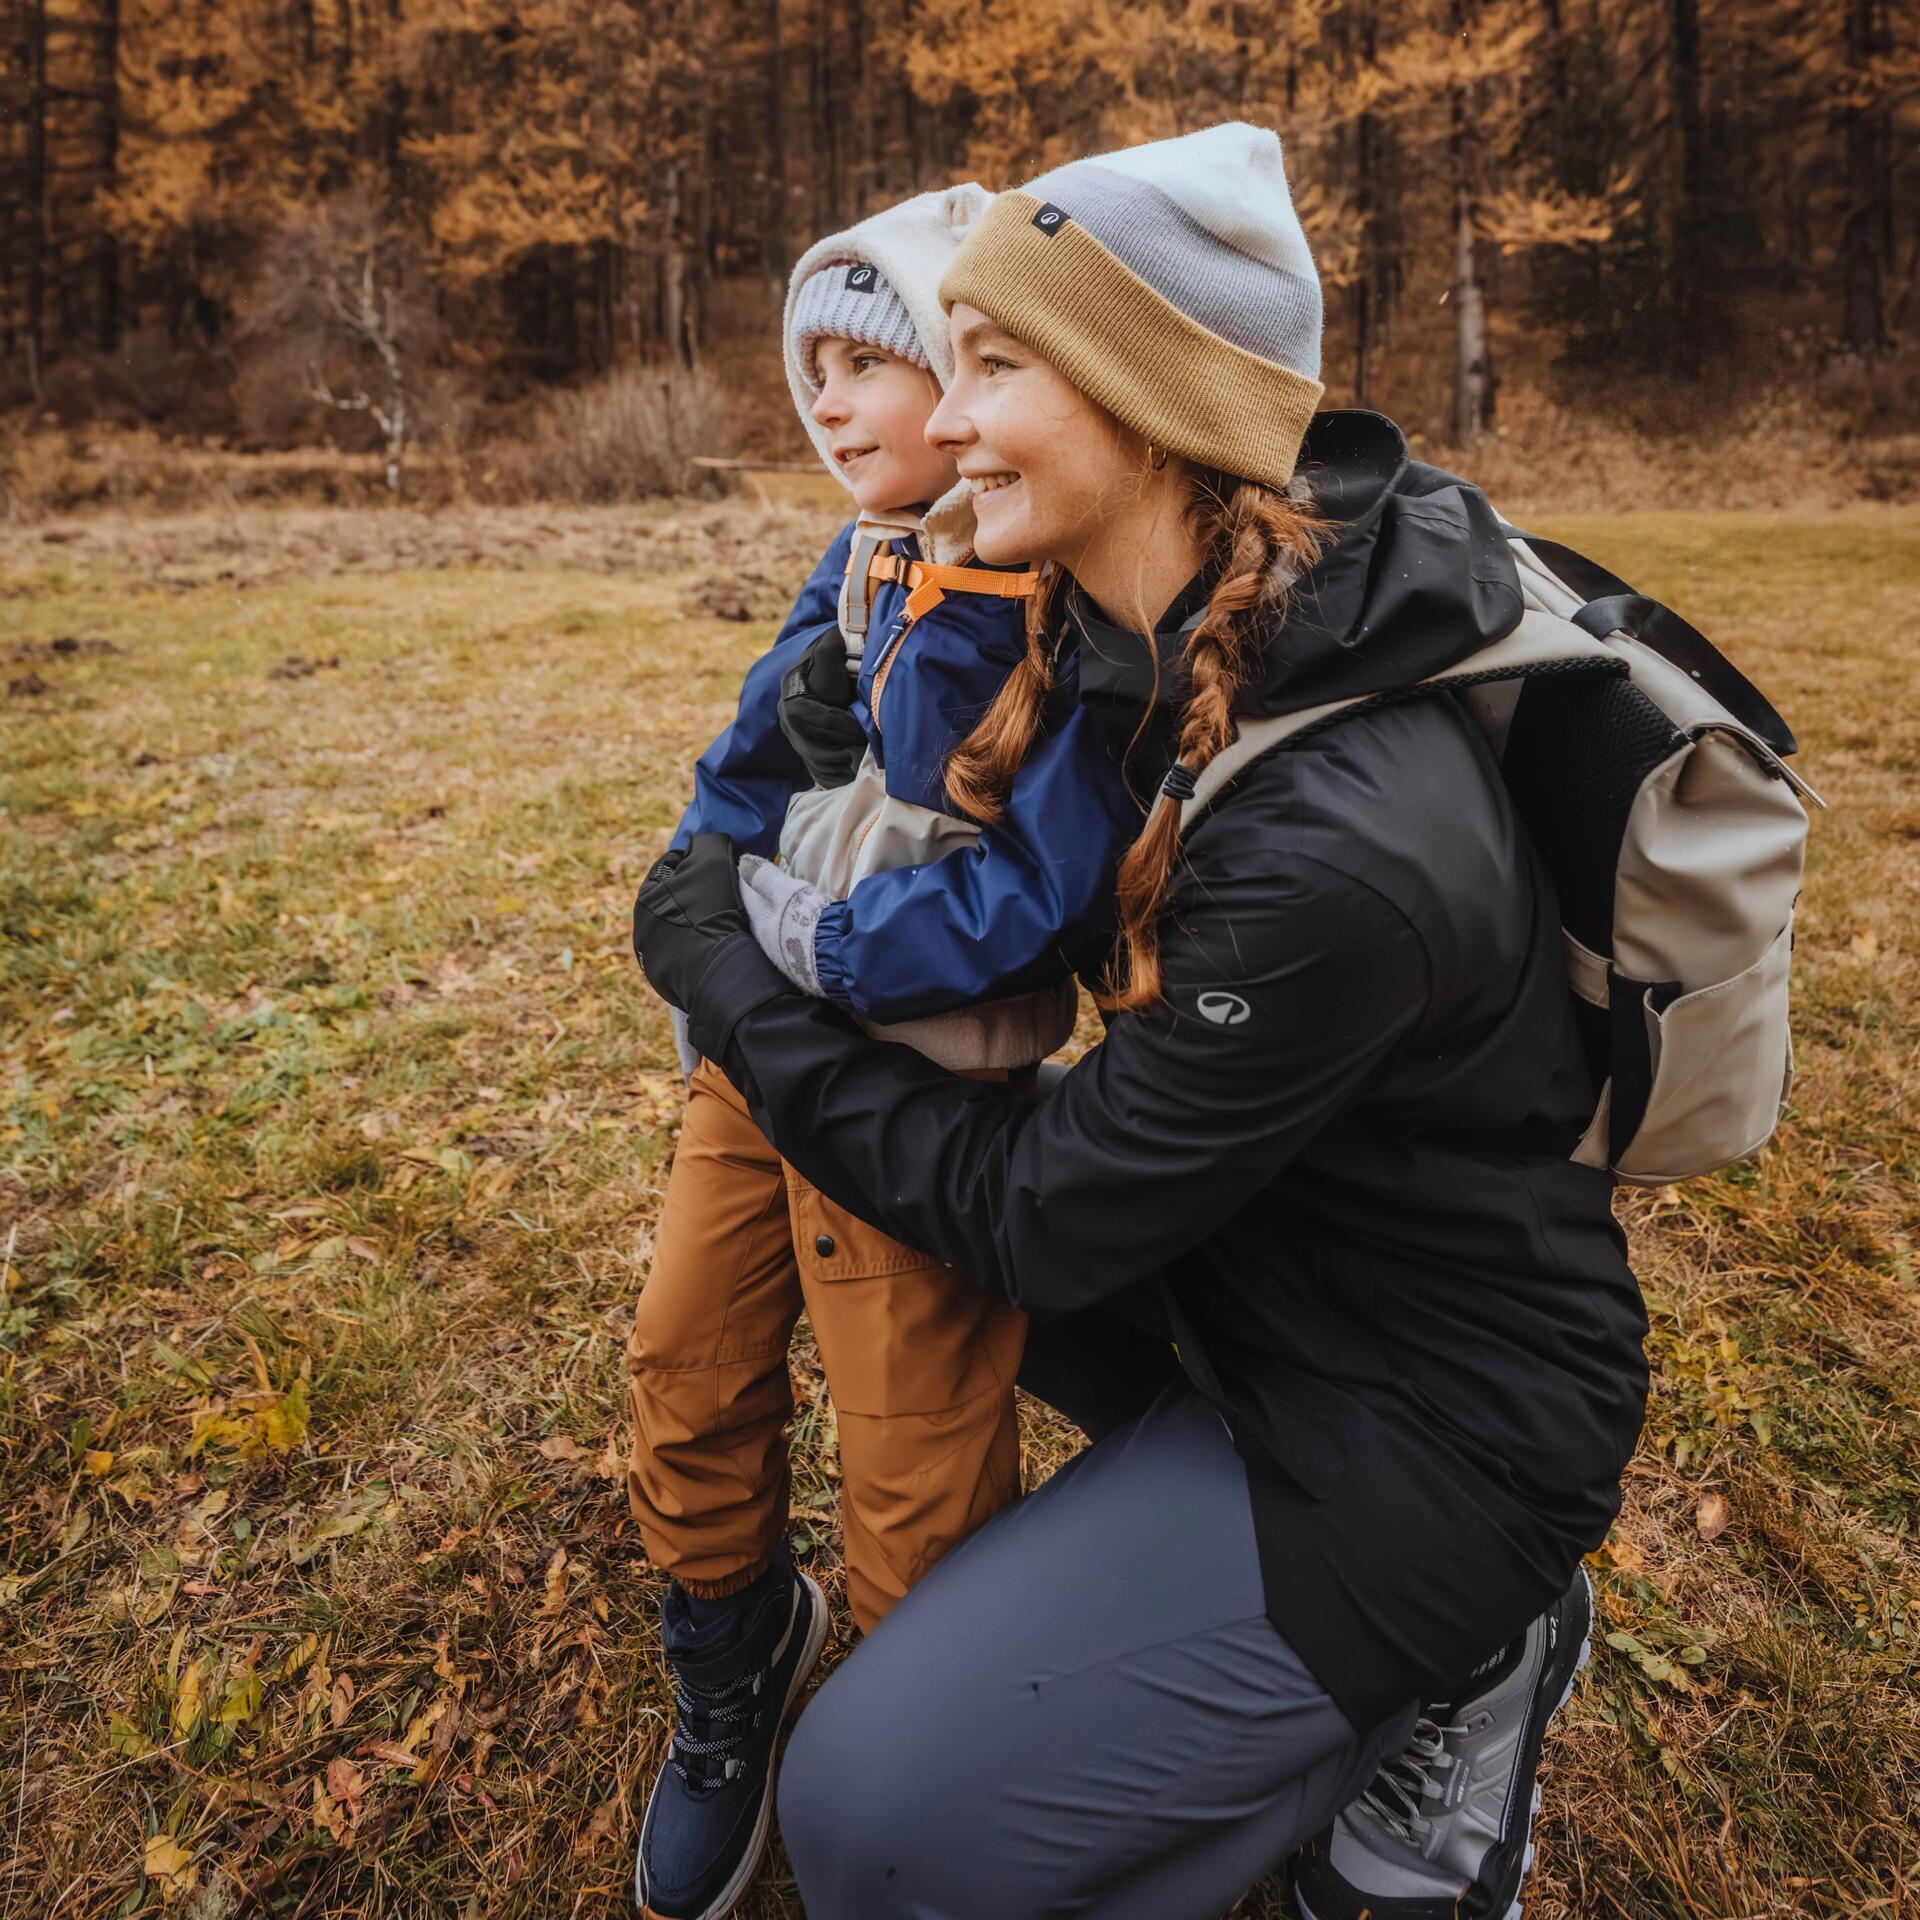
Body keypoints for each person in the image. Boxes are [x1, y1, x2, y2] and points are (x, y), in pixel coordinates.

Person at [633, 122, 1649, 1920]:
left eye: (997, 365)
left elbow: (1038, 1209)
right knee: (960, 1271)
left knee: (872, 1823)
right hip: (1245, 1270)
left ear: (1146, 396)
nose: (943, 419)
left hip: (1415, 1419)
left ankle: (1482, 1639)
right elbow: (893, 741)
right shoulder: (1153, 638)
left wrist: (729, 972)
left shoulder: (1335, 838)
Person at [626, 182, 1141, 1920]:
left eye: (874, 362)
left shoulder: (1059, 605)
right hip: (748, 1055)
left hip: (924, 1092)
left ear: (990, 382)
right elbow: (743, 768)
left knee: (917, 1445)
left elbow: (1040, 892)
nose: (831, 402)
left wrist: (833, 943)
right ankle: (732, 1657)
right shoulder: (847, 564)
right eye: (814, 370)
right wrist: (706, 895)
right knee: (686, 1369)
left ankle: (907, 1756)